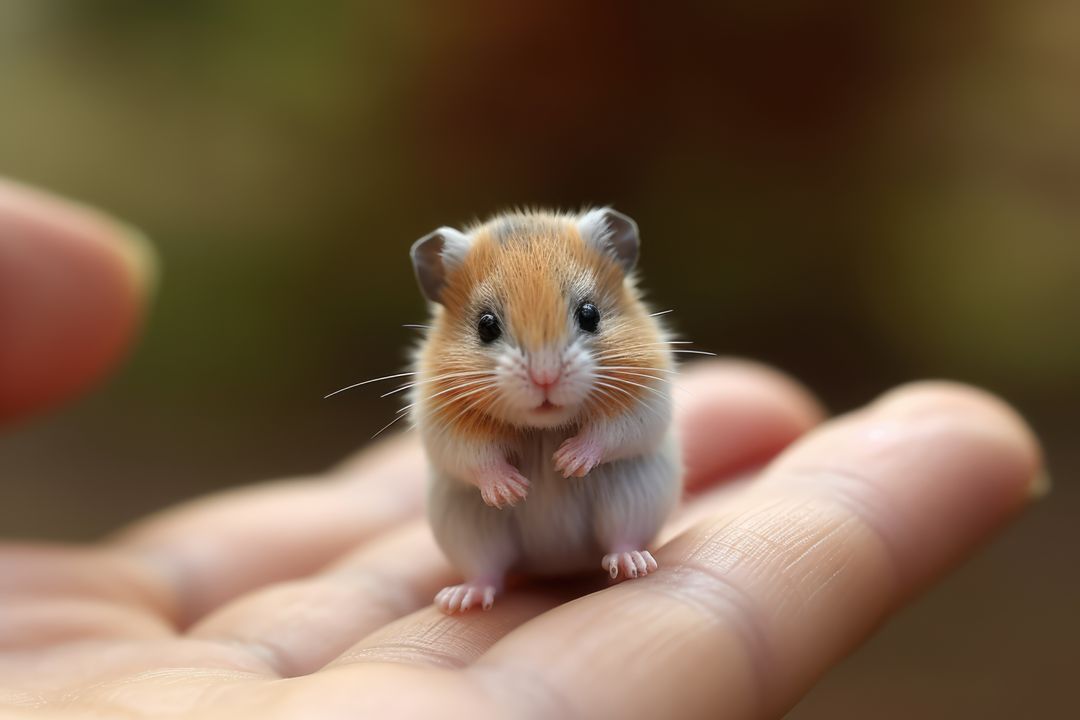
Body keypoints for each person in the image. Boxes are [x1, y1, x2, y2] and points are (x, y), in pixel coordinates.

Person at [0, 179, 1044, 719]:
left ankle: (625, 544)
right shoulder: (447, 370)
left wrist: (606, 440)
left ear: (618, 284)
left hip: (610, 522)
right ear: (448, 297)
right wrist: (483, 464)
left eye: (584, 325)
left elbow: (644, 421)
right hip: (495, 530)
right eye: (496, 334)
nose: (544, 373)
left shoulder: (635, 361)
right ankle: (490, 571)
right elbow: (445, 441)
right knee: (458, 502)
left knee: (643, 462)